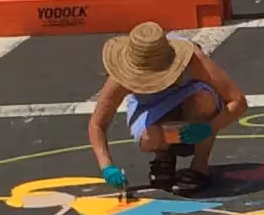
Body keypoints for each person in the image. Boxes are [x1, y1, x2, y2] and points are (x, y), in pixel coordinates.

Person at [87, 20, 246, 196]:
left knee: (204, 100)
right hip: (151, 106)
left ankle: (200, 165)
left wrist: (209, 127)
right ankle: (164, 155)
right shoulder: (122, 76)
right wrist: (107, 166)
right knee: (149, 138)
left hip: (190, 98)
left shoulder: (193, 60)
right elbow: (98, 123)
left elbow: (237, 101)